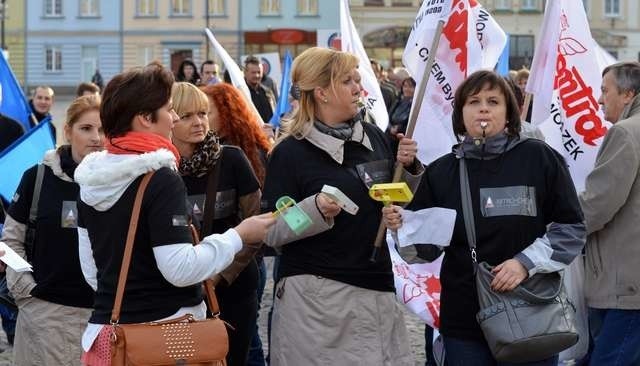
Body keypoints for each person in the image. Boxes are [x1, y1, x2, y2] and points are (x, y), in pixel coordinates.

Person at [74, 63, 275, 365]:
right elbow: (180, 269)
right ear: (145, 118)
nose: (176, 118)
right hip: (165, 335)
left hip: (108, 337)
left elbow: (93, 272)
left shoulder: (91, 177)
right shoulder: (160, 176)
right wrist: (238, 236)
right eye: (169, 109)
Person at [383, 70, 586, 365]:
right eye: (473, 101)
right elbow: (423, 251)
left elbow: (571, 229)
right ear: (460, 113)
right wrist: (402, 228)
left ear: (509, 113)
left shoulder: (540, 158)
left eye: (493, 101)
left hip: (534, 315)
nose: (483, 108)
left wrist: (524, 263)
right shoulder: (442, 172)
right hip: (466, 323)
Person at [262, 47, 422, 365]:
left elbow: (397, 200)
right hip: (316, 304)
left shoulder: (376, 138)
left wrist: (411, 168)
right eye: (347, 81)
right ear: (321, 92)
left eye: (357, 79)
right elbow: (274, 232)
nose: (357, 88)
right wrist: (314, 210)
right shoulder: (289, 153)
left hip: (377, 291)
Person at [1, 95, 104, 365]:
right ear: (68, 131)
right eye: (86, 128)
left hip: (101, 319)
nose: (96, 137)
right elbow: (11, 240)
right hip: (43, 316)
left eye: (103, 129)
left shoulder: (118, 183)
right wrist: (26, 290)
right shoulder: (37, 178)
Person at [172, 82, 265, 366]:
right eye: (187, 116)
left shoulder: (232, 158)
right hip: (180, 290)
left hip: (234, 284)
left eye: (202, 113)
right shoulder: (160, 168)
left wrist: (216, 275)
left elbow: (255, 224)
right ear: (169, 119)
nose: (199, 122)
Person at [200, 82, 272, 366]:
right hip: (203, 267)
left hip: (244, 262)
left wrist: (223, 272)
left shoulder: (239, 153)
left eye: (206, 111)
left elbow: (255, 214)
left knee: (246, 341)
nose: (200, 119)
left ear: (226, 112)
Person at [578, 61, 640, 365]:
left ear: (627, 94)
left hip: (625, 286)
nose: (600, 99)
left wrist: (553, 218)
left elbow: (597, 204)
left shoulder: (625, 133)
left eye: (605, 90)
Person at [387, 77, 416, 153]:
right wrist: (391, 128)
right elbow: (388, 117)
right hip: (390, 139)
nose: (406, 89)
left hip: (403, 143)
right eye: (405, 86)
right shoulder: (398, 100)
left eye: (410, 86)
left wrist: (399, 128)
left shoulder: (416, 106)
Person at [244, 55, 275, 123]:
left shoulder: (267, 92)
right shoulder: (241, 94)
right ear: (245, 73)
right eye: (253, 72)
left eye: (259, 72)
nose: (257, 75)